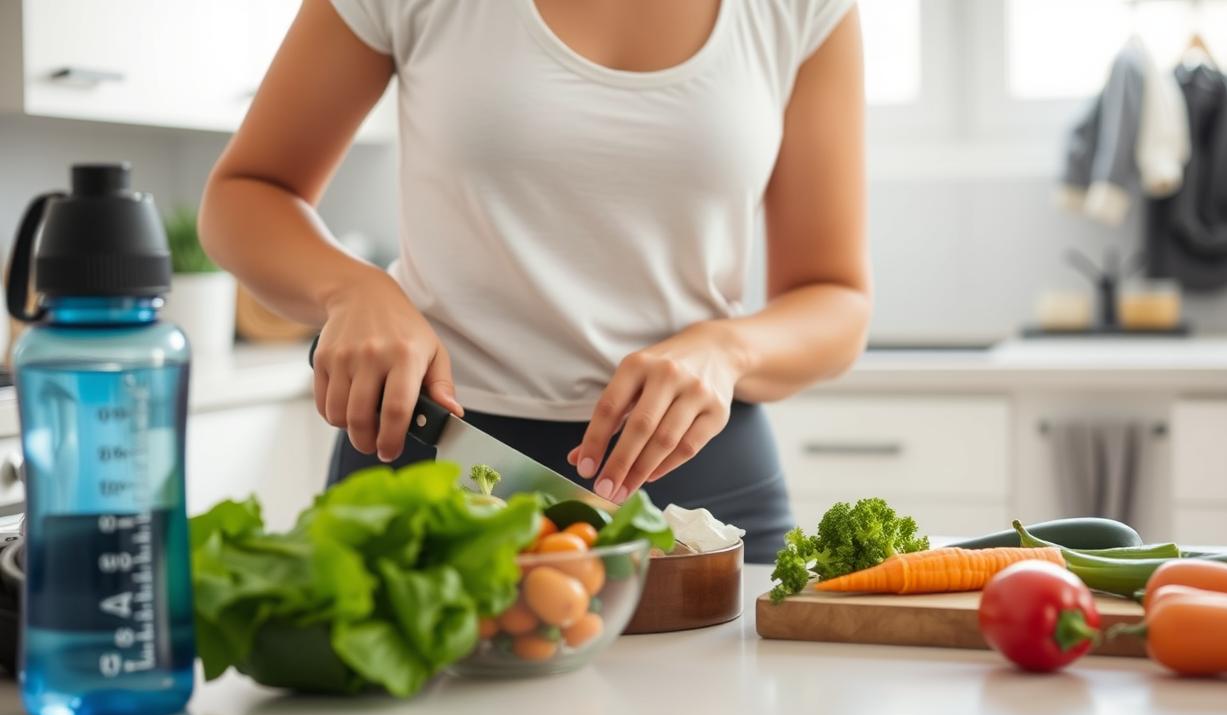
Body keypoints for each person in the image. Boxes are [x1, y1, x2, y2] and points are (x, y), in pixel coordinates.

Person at [199, 0, 870, 563]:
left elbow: (836, 298)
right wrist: (352, 289)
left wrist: (727, 350)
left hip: (696, 492)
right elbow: (246, 193)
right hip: (429, 459)